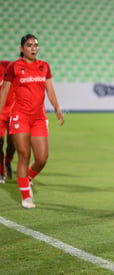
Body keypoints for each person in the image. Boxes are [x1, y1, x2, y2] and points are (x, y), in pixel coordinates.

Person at [0, 34, 65, 209]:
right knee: (24, 155)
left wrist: (57, 108)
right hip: (20, 117)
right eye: (29, 45)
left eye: (36, 45)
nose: (34, 48)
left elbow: (50, 90)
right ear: (22, 49)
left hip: (38, 118)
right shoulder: (14, 67)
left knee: (42, 158)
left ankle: (26, 178)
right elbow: (4, 92)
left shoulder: (44, 67)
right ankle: (26, 195)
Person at [0, 60, 16, 184]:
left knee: (13, 144)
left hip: (13, 111)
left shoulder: (8, 65)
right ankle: (1, 173)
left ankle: (8, 161)